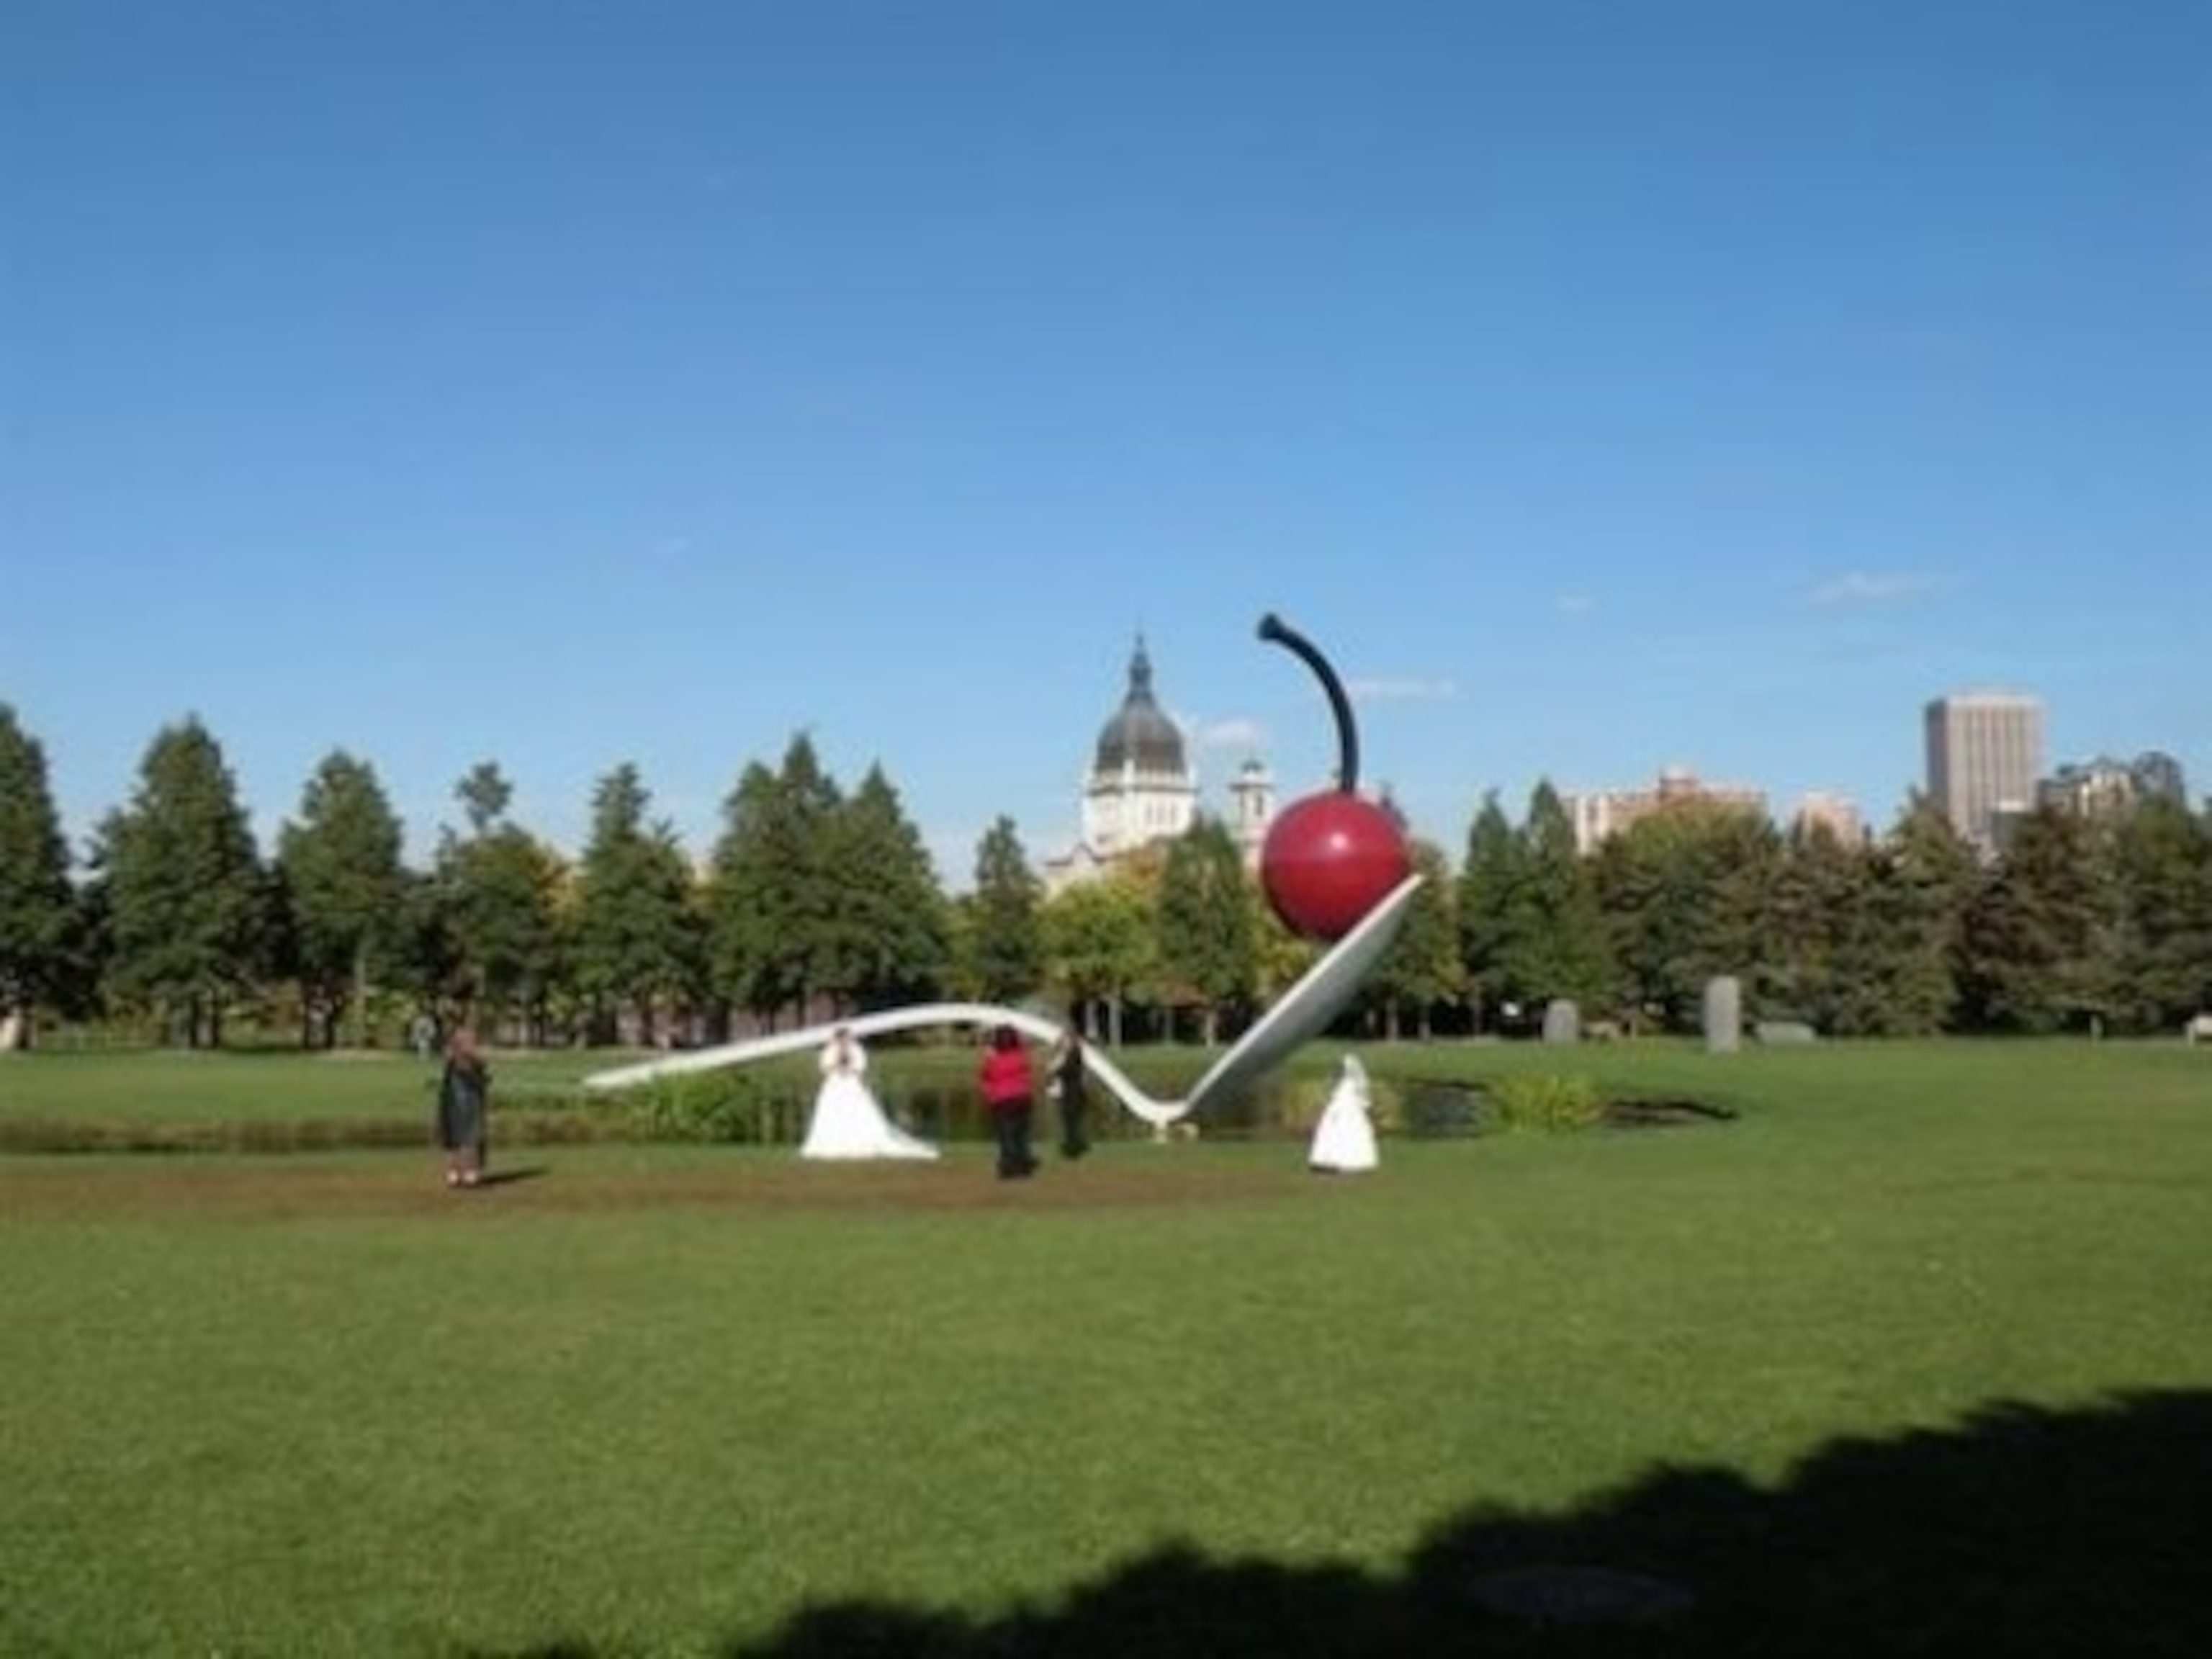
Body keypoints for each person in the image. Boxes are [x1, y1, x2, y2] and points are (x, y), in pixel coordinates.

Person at [799, 1025, 940, 1161]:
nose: (844, 1041)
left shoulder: (856, 1050)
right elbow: (825, 1067)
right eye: (841, 1038)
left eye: (847, 1038)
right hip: (835, 1084)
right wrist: (837, 1065)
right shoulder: (829, 1051)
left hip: (851, 1083)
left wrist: (848, 1067)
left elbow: (860, 1067)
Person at [978, 1024, 1040, 1179]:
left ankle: (1009, 1168)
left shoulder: (994, 1060)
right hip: (1023, 1098)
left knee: (1006, 1135)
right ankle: (1024, 1166)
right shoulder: (1021, 1056)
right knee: (1021, 1134)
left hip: (1003, 1100)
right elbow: (1028, 1068)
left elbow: (986, 1077)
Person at [436, 1024, 491, 1188]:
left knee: (472, 1134)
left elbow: (481, 1062)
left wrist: (471, 1056)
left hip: (472, 1096)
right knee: (453, 1135)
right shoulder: (452, 1053)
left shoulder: (475, 1055)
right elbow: (449, 1058)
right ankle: (454, 1172)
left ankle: (470, 1172)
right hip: (454, 1096)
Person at [1307, 1053, 1379, 1174]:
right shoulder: (1343, 1085)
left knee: (1345, 1130)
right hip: (1339, 1108)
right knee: (1333, 1129)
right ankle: (1328, 1160)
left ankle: (1342, 1160)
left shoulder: (1349, 1086)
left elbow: (1360, 1091)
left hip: (1346, 1108)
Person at [1048, 1025, 1091, 1160]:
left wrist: (1056, 1072)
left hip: (1073, 1090)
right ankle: (1072, 1144)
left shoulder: (1075, 1052)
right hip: (1069, 1090)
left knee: (1072, 1120)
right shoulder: (1070, 1052)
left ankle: (1072, 1147)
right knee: (1069, 1119)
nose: (1063, 1042)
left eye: (1065, 1039)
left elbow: (1070, 1070)